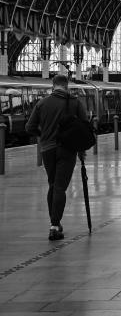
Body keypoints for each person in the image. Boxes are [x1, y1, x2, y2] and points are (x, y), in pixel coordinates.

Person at [25, 74, 89, 240]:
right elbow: (84, 127)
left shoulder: (42, 103)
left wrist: (43, 135)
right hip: (67, 150)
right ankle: (54, 225)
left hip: (47, 150)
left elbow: (29, 127)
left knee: (53, 184)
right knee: (60, 186)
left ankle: (54, 223)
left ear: (53, 86)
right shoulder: (74, 102)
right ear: (66, 86)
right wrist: (81, 150)